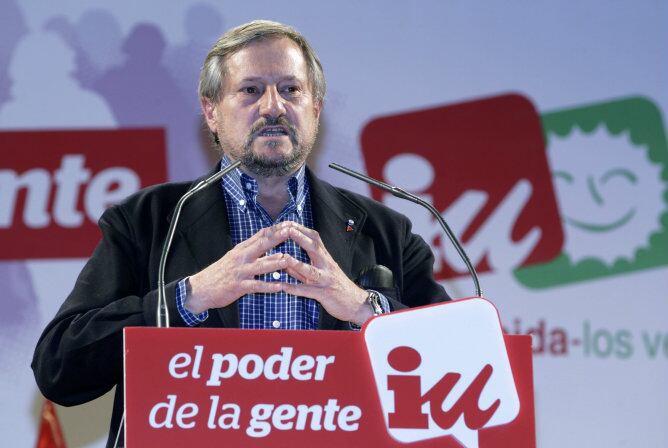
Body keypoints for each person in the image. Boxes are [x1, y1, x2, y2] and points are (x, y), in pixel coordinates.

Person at [32, 20, 449, 447]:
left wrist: (366, 308)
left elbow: (464, 361)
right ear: (211, 111)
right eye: (250, 90)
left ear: (316, 109)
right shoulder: (149, 221)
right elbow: (59, 366)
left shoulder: (384, 230)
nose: (273, 106)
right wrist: (188, 297)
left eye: (291, 90)